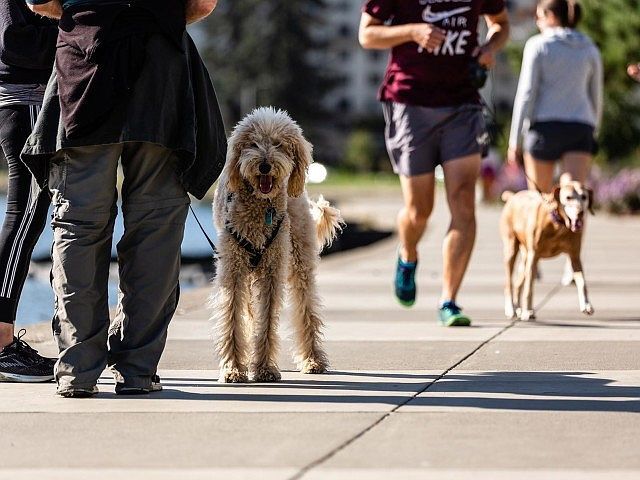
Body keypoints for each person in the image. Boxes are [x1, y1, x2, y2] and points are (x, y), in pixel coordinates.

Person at [24, 0, 226, 397]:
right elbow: (202, 3)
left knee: (80, 227)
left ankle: (78, 371)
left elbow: (38, 1)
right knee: (156, 228)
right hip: (160, 69)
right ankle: (136, 370)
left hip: (85, 64)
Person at [359, 0, 510, 326]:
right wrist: (413, 31)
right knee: (419, 210)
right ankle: (408, 254)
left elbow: (501, 22)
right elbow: (367, 35)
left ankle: (449, 300)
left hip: (463, 103)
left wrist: (488, 47)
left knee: (463, 202)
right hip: (410, 102)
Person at [0, 0, 58, 382]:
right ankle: (2, 345)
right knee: (24, 216)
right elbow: (12, 39)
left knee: (27, 216)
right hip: (27, 102)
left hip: (25, 101)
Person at [508, 0, 603, 193]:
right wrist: (594, 130)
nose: (536, 21)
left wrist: (514, 140)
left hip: (544, 130)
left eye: (539, 16)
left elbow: (526, 94)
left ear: (551, 17)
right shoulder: (589, 48)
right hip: (580, 128)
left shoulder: (538, 45)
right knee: (574, 199)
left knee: (541, 202)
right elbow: (596, 95)